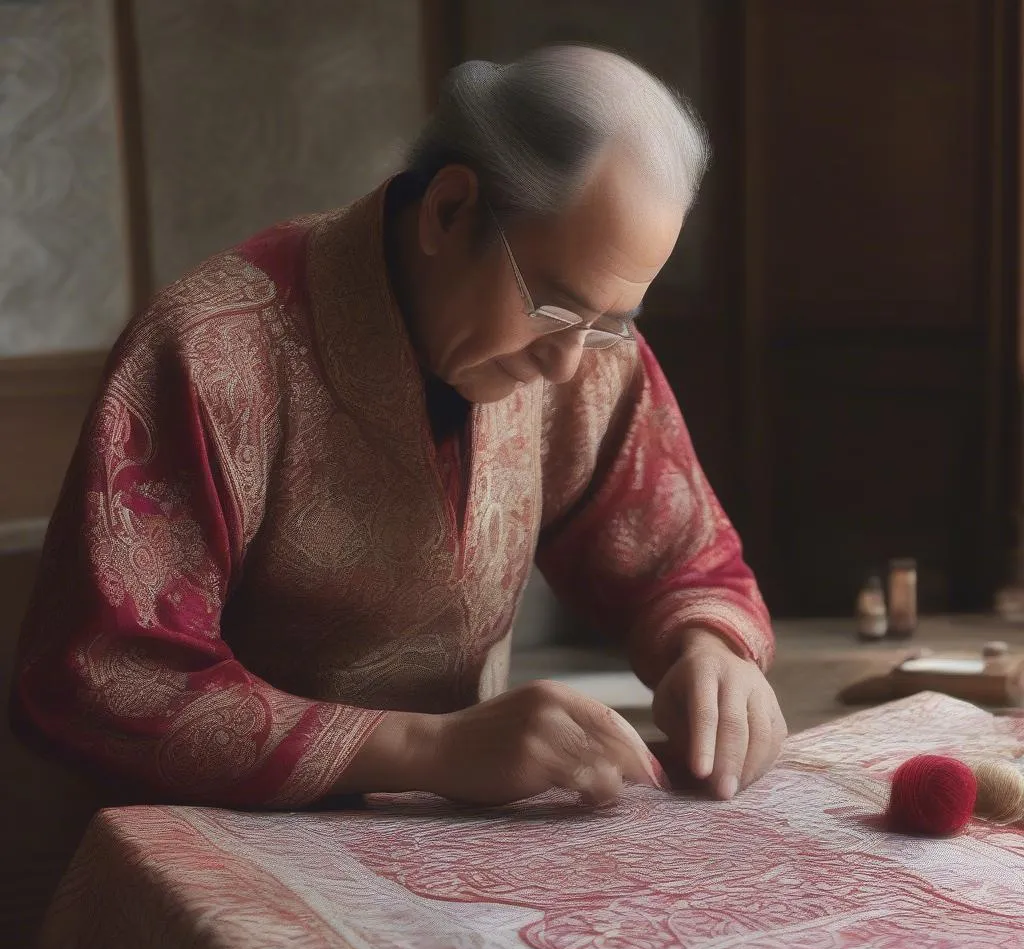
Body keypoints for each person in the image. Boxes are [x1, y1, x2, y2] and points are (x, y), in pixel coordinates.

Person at [10, 45, 786, 811]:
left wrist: (707, 651)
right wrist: (431, 750)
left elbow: (681, 562)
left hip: (458, 830)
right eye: (552, 306)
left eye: (611, 321)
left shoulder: (583, 349)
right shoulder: (211, 349)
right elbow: (107, 678)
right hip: (214, 837)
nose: (566, 364)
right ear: (450, 211)